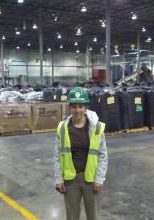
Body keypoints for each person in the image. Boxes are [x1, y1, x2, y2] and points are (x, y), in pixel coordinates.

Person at [54, 87, 108, 220]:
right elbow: (57, 156)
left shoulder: (96, 127)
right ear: (70, 108)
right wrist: (58, 178)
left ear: (85, 107)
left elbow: (103, 155)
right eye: (74, 107)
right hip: (70, 179)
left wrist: (99, 178)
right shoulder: (62, 128)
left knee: (93, 215)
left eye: (80, 106)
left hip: (91, 179)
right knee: (72, 215)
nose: (77, 110)